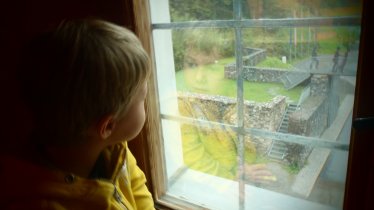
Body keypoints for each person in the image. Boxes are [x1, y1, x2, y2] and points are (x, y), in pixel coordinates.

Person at [0, 19, 155, 209]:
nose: (145, 102)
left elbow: (137, 190)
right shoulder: (40, 203)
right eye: (143, 98)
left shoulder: (114, 152)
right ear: (108, 126)